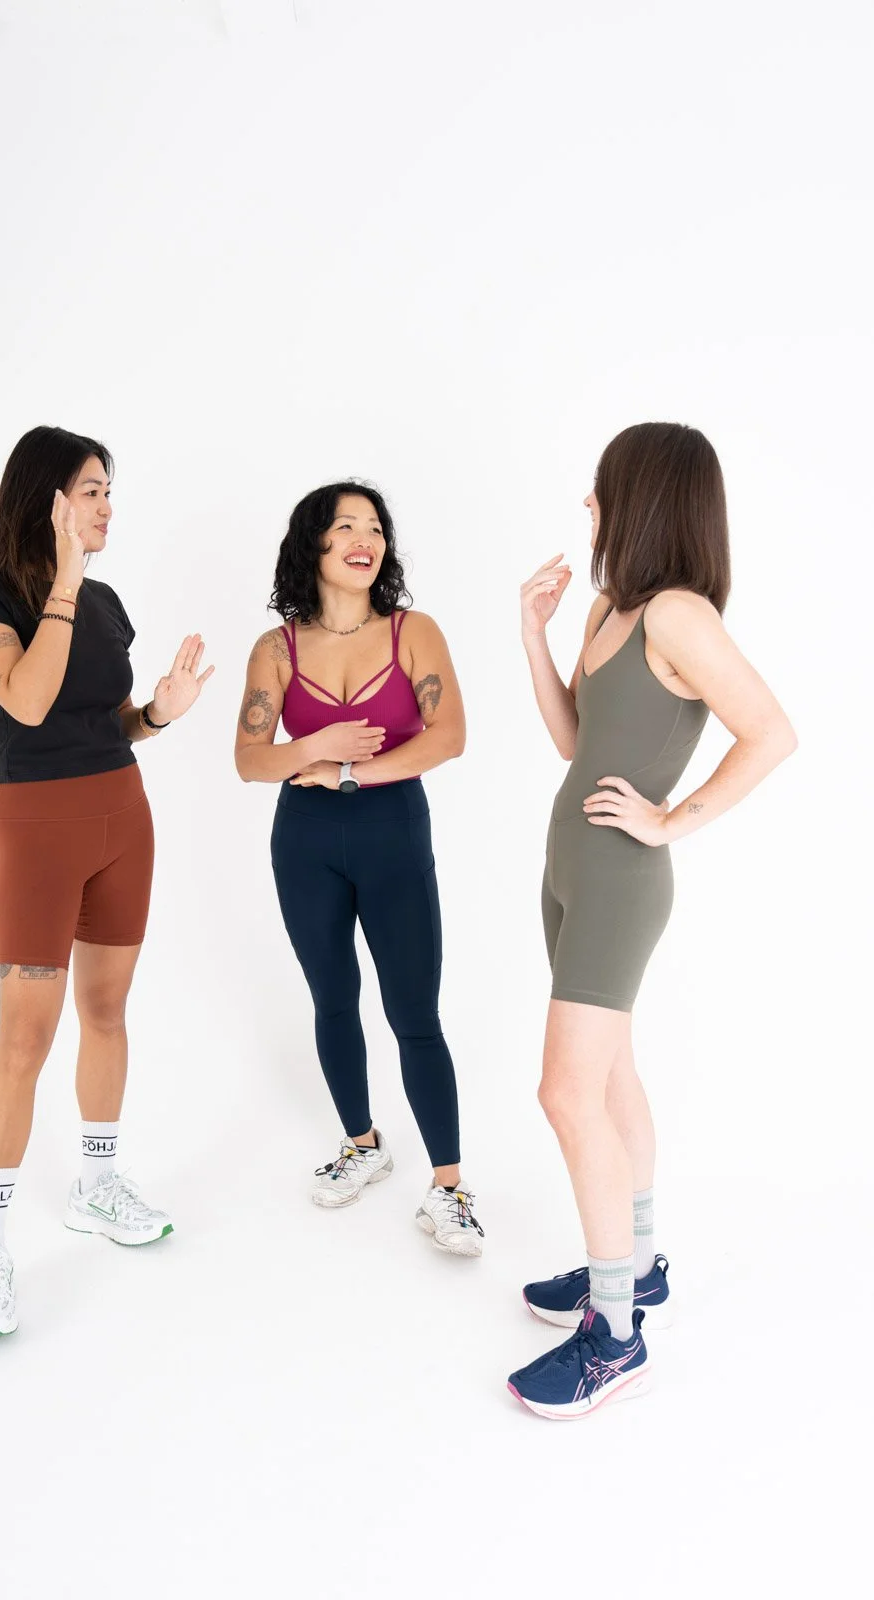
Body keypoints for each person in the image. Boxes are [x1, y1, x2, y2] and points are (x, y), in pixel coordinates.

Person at [507, 422, 796, 1418]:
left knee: (564, 1092)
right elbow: (572, 742)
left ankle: (613, 1334)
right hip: (570, 869)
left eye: (601, 492)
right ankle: (634, 1270)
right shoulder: (610, 606)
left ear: (644, 499)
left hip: (620, 880)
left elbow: (770, 732)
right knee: (607, 1076)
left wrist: (671, 820)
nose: (588, 506)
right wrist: (533, 636)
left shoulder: (677, 613)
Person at [0, 425, 212, 1341]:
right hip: (38, 829)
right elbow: (26, 703)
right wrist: (63, 579)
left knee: (106, 1010)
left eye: (109, 491)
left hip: (122, 819)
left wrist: (157, 715)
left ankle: (96, 1185)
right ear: (48, 499)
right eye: (92, 490)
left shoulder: (104, 603)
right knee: (23, 1037)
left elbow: (105, 720)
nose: (108, 506)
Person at [235, 483, 483, 1255]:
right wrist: (315, 747)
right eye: (344, 526)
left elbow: (447, 738)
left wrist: (346, 773)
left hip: (392, 834)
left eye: (373, 527)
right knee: (333, 998)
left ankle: (449, 1190)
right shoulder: (276, 649)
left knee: (414, 1014)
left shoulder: (413, 631)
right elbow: (249, 760)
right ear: (311, 544)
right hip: (303, 843)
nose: (363, 539)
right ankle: (362, 1144)